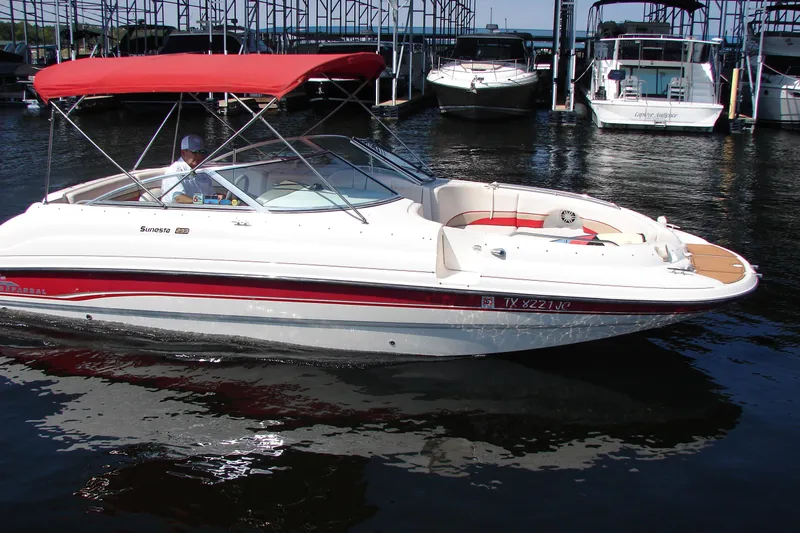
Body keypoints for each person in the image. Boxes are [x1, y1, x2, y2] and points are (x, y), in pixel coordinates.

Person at [160, 134, 217, 204]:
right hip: (179, 212)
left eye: (201, 152)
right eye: (195, 152)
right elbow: (179, 198)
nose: (199, 156)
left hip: (202, 210)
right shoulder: (174, 171)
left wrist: (217, 198)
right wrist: (205, 201)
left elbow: (211, 194)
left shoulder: (201, 172)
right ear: (183, 153)